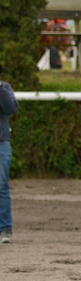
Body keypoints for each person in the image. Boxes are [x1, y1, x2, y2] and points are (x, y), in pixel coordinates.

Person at [0, 62, 19, 244]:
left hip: (1, 144)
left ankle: (5, 228)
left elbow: (11, 108)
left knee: (2, 187)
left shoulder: (5, 88)